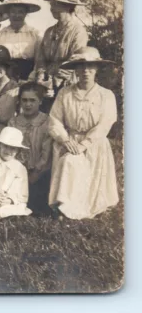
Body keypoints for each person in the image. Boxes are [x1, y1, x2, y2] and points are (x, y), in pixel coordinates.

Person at [48, 47, 118, 220]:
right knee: (69, 161)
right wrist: (64, 139)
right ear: (75, 70)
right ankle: (64, 206)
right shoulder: (65, 93)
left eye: (90, 66)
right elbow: (54, 120)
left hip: (94, 142)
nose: (85, 71)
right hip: (70, 140)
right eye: (81, 67)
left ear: (97, 69)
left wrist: (84, 144)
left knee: (80, 166)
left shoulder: (106, 95)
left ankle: (92, 204)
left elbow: (105, 124)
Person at [34, 0, 89, 97]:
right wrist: (41, 77)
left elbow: (74, 61)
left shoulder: (78, 32)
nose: (52, 8)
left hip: (68, 85)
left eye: (56, 4)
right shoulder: (49, 32)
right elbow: (41, 59)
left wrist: (56, 82)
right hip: (46, 87)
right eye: (51, 4)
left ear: (68, 7)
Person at [8, 82, 52, 215]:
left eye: (32, 100)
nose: (28, 104)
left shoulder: (46, 121)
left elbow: (47, 153)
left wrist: (37, 172)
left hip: (40, 173)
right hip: (17, 172)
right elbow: (9, 150)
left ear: (40, 101)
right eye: (24, 100)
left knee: (38, 206)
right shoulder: (13, 122)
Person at [0, 0, 42, 80]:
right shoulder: (0, 35)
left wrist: (32, 77)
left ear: (26, 13)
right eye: (13, 12)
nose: (16, 15)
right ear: (8, 13)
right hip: (6, 77)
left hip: (29, 76)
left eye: (20, 12)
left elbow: (40, 61)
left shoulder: (35, 34)